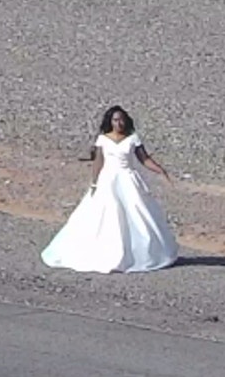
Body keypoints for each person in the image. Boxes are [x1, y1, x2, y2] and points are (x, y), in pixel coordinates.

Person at [41, 105, 179, 273]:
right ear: (110, 122)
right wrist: (94, 183)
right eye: (115, 120)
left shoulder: (133, 138)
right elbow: (98, 162)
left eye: (121, 120)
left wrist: (161, 170)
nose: (118, 123)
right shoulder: (103, 139)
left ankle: (140, 254)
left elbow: (144, 159)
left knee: (137, 213)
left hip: (128, 180)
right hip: (108, 180)